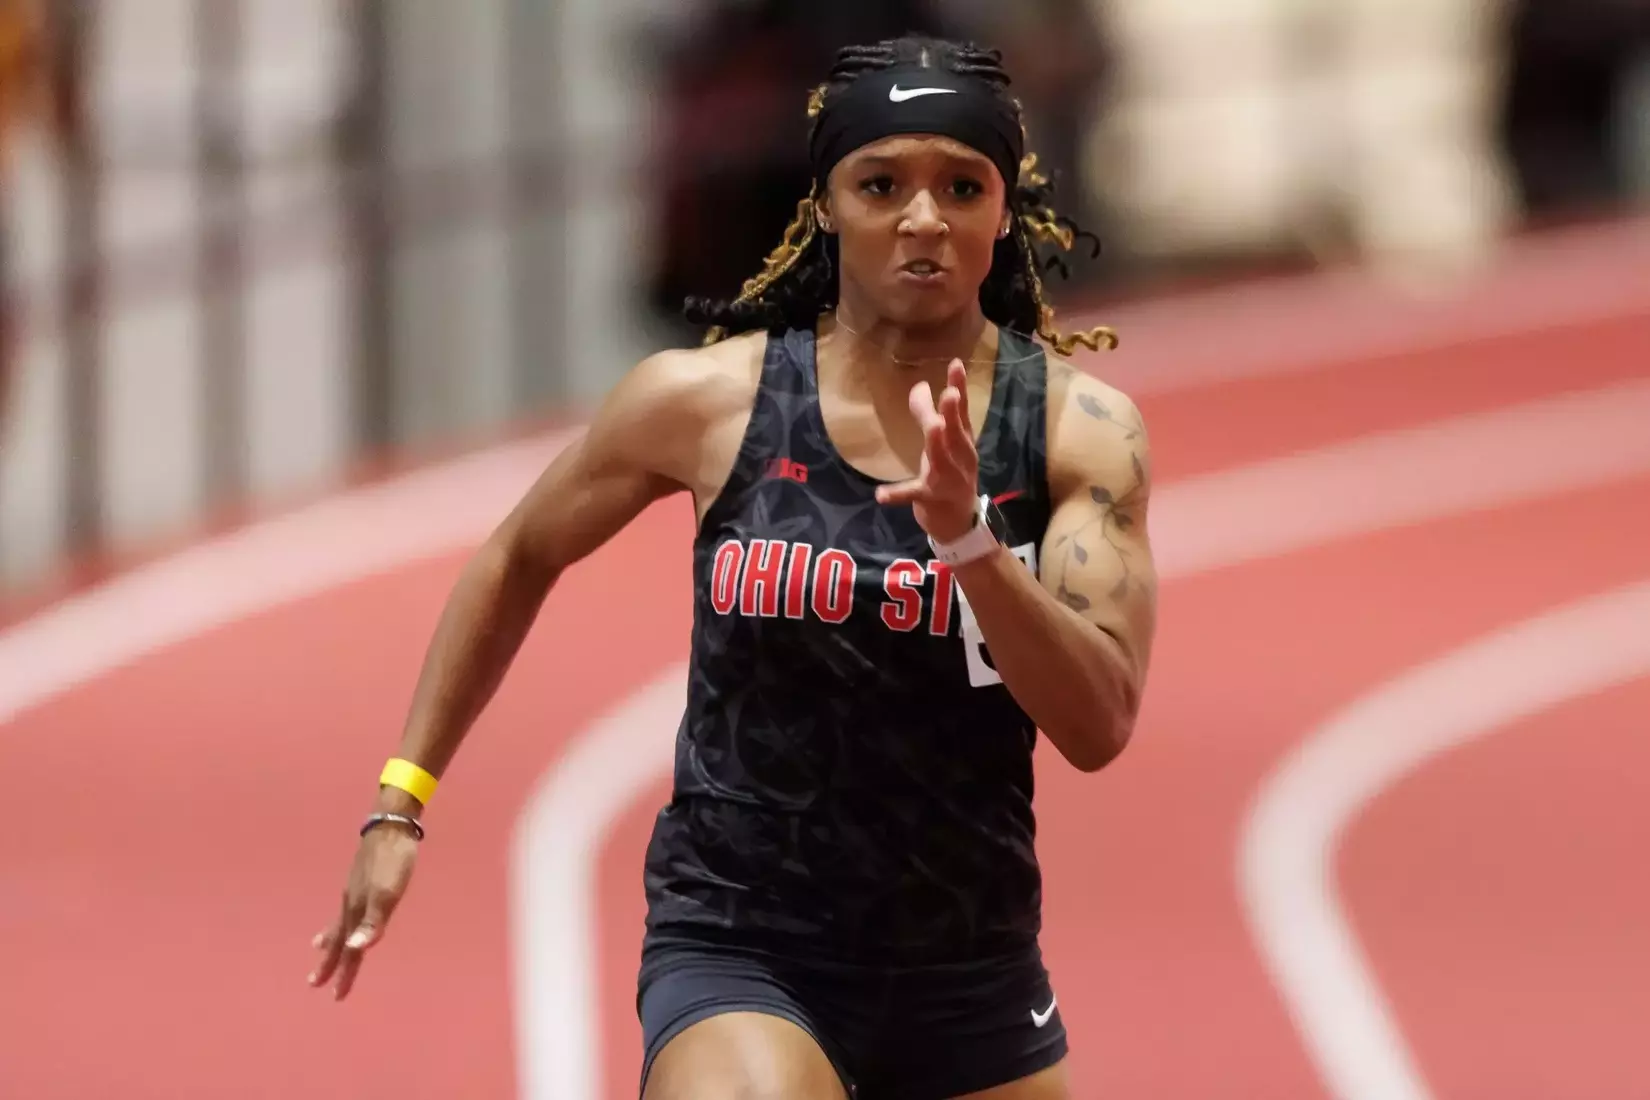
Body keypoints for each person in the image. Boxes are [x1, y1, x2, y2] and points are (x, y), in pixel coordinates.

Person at [309, 34, 1159, 1100]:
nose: (924, 218)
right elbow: (518, 553)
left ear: (1006, 207)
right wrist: (401, 800)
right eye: (882, 182)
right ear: (826, 203)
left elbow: (1100, 722)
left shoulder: (1075, 435)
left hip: (968, 970)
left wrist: (974, 546)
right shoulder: (707, 402)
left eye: (962, 184)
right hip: (745, 937)